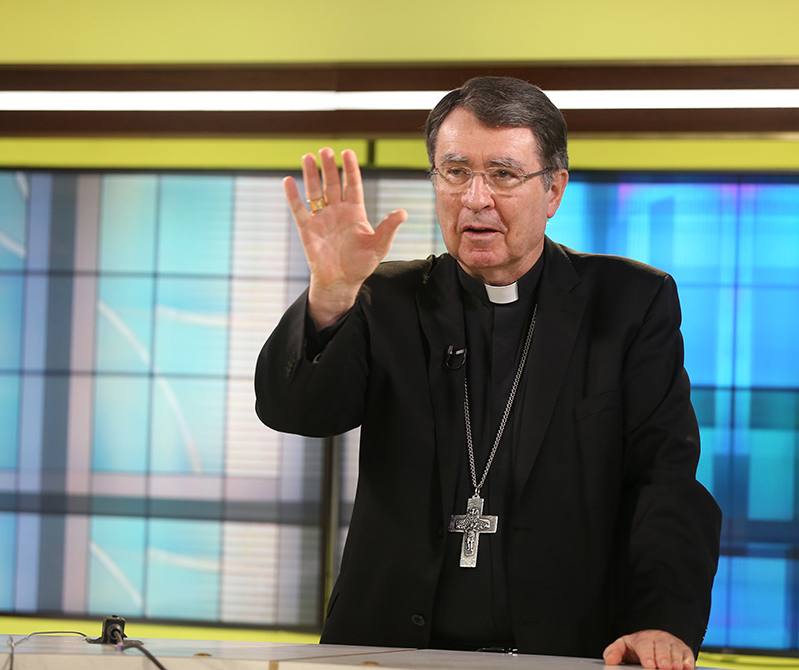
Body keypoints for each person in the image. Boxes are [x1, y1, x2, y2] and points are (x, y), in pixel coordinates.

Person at [255, 76, 721, 669]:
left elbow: (666, 476)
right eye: (455, 172)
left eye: (503, 174)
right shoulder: (385, 299)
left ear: (553, 190)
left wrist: (660, 619)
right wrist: (331, 294)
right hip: (389, 650)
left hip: (564, 650)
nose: (475, 198)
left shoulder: (629, 303)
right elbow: (293, 411)